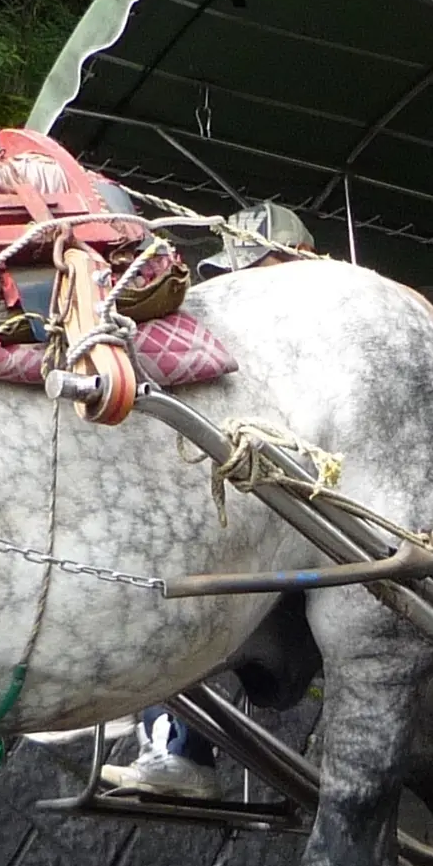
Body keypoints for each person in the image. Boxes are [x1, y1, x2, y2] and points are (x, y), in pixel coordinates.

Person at [99, 201, 315, 799]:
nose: (241, 286)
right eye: (231, 274)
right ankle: (164, 738)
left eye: (255, 269)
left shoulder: (329, 336)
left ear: (299, 261)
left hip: (315, 541)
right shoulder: (241, 351)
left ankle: (174, 744)